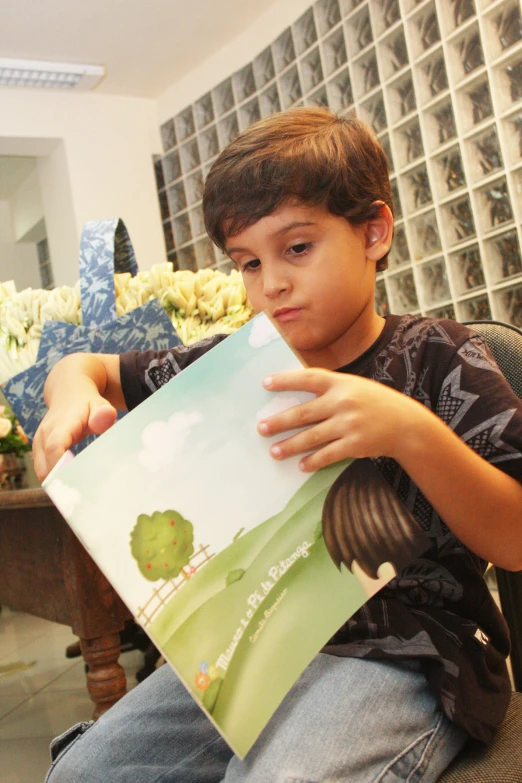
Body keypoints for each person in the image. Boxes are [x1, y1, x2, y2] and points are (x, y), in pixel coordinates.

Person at [33, 107, 522, 783]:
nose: (272, 284)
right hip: (253, 647)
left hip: (409, 650)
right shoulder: (241, 366)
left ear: (373, 231)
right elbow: (88, 368)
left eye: (296, 248)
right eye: (247, 262)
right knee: (83, 772)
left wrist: (409, 431)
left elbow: (516, 537)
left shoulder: (439, 356)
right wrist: (68, 398)